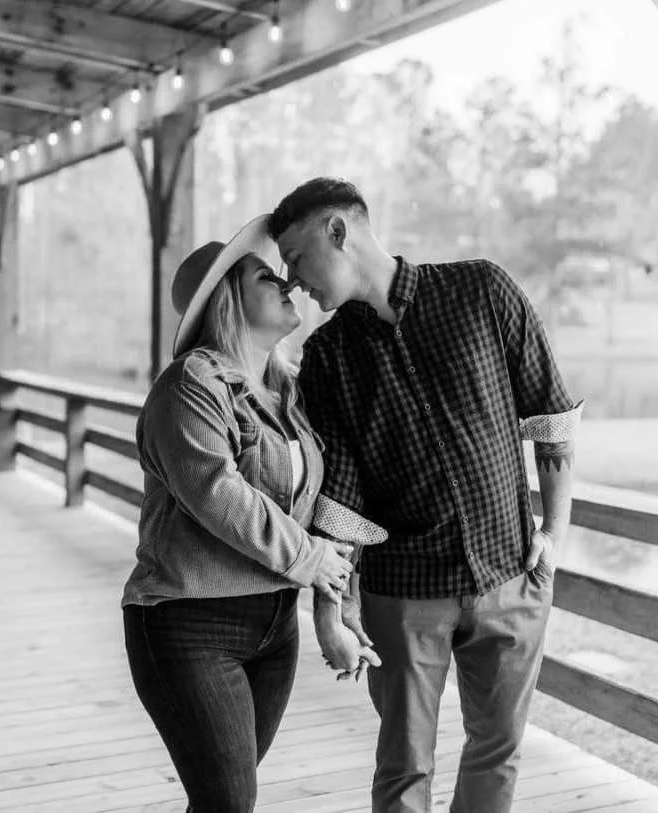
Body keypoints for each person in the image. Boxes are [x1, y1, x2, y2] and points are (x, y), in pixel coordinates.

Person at [269, 178, 582, 813]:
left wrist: (554, 534)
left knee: (498, 751)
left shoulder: (482, 290)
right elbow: (340, 501)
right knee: (405, 766)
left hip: (512, 577)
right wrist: (329, 612)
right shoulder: (326, 357)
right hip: (404, 596)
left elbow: (550, 417)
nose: (293, 281)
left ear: (338, 232)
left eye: (297, 259)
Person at [121, 214, 366, 813]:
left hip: (274, 628)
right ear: (227, 299)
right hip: (190, 625)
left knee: (220, 801)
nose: (286, 282)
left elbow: (321, 504)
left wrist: (334, 610)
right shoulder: (190, 385)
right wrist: (310, 559)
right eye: (264, 276)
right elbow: (217, 492)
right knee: (228, 803)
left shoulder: (287, 394)